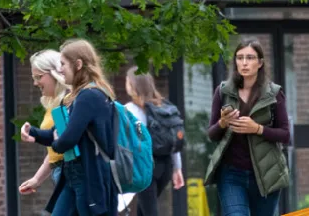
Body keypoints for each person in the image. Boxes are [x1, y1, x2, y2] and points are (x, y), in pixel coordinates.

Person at [21, 39, 121, 216]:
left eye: (63, 64)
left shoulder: (89, 96)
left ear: (78, 65)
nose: (60, 69)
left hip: (90, 179)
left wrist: (58, 140)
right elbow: (59, 134)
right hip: (74, 177)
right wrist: (34, 134)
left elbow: (67, 140)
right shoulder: (80, 96)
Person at [205, 39, 290, 216]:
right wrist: (223, 123)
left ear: (260, 63)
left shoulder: (274, 93)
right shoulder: (223, 91)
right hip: (231, 174)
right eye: (240, 57)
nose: (244, 63)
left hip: (266, 174)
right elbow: (211, 135)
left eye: (250, 58)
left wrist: (257, 128)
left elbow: (286, 135)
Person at [122, 68, 185, 216]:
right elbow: (173, 139)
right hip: (166, 166)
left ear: (132, 84)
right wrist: (177, 168)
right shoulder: (163, 107)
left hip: (146, 167)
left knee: (149, 211)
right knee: (143, 210)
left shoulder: (129, 110)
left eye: (127, 80)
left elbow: (126, 142)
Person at [18, 50, 69, 196]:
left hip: (69, 174)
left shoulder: (66, 102)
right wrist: (37, 179)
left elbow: (64, 146)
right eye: (33, 77)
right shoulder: (53, 104)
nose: (35, 83)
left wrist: (35, 134)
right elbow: (55, 150)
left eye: (38, 77)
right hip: (59, 172)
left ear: (55, 73)